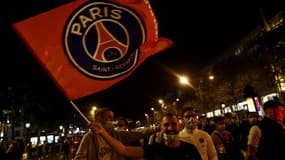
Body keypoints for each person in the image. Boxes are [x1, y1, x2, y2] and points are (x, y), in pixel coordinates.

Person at [89, 112, 202, 160]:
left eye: (173, 124)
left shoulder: (190, 149)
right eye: (166, 125)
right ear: (160, 128)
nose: (170, 128)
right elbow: (124, 150)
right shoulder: (154, 149)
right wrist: (102, 133)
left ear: (180, 126)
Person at [74, 107, 153, 160]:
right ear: (99, 119)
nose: (112, 120)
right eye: (109, 117)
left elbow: (135, 133)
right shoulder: (89, 137)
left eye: (112, 117)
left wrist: (154, 129)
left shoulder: (116, 134)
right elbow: (79, 158)